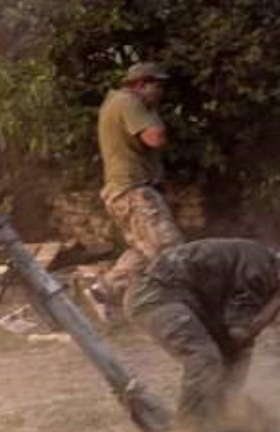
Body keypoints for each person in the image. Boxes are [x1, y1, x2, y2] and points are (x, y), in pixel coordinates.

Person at [125, 238, 280, 426]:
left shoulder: (259, 263)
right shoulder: (261, 269)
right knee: (205, 358)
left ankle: (226, 421)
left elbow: (237, 342)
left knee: (238, 355)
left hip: (177, 297)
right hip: (155, 295)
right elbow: (240, 334)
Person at [92, 61, 185, 320]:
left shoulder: (115, 102)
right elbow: (155, 137)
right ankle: (177, 308)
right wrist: (152, 111)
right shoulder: (129, 102)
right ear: (141, 84)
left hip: (121, 192)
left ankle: (104, 289)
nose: (161, 92)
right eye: (158, 85)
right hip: (133, 191)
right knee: (171, 249)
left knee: (144, 251)